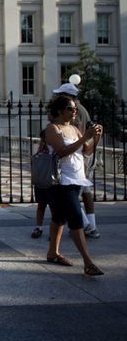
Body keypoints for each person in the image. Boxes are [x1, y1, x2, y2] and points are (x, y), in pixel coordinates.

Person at [42, 95, 103, 276]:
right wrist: (85, 137)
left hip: (77, 178)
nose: (74, 111)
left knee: (59, 217)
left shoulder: (75, 129)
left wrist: (96, 137)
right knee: (76, 218)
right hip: (61, 181)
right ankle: (88, 262)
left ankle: (53, 253)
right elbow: (62, 152)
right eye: (71, 108)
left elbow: (85, 152)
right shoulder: (53, 129)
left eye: (75, 109)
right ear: (60, 111)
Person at [52, 82, 100, 238]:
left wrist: (93, 137)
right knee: (63, 209)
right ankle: (89, 225)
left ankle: (87, 226)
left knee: (75, 197)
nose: (57, 97)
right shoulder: (79, 110)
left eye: (60, 95)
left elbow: (78, 145)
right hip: (75, 164)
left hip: (75, 164)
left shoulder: (74, 112)